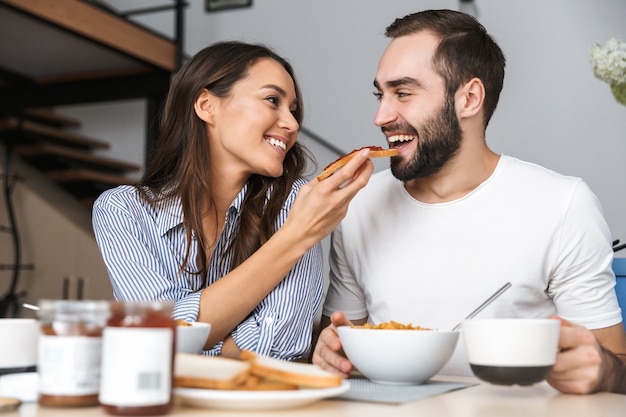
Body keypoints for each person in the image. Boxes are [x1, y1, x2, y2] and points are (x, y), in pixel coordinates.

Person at [312, 9, 626, 394]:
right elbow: (346, 346)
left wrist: (604, 372)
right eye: (381, 94)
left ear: (470, 98)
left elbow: (615, 364)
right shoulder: (360, 206)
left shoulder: (564, 205)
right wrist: (330, 352)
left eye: (403, 93)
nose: (380, 115)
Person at [92, 41, 373, 361]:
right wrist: (296, 236)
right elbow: (159, 334)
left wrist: (189, 342)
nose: (293, 124)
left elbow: (283, 345)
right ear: (206, 105)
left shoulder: (296, 202)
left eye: (293, 110)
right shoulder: (122, 211)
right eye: (272, 100)